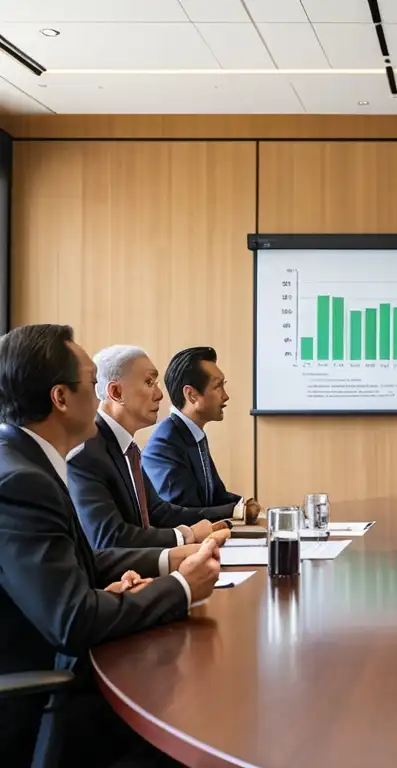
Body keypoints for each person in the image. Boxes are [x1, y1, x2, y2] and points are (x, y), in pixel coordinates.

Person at [0, 324, 221, 766]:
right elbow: (72, 619)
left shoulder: (28, 461)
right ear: (61, 398)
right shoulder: (20, 481)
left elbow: (79, 564)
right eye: (92, 383)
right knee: (194, 721)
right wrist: (181, 586)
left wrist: (149, 570)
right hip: (45, 705)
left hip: (64, 673)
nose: (102, 396)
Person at [68, 346, 238, 551]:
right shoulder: (85, 452)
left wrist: (225, 516)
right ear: (116, 392)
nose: (159, 395)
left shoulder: (128, 448)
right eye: (149, 382)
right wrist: (187, 535)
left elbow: (159, 512)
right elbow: (109, 538)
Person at [143, 346, 260, 521]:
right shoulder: (164, 443)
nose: (226, 396)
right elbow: (183, 511)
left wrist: (245, 505)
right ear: (191, 395)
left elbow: (215, 496)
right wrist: (237, 511)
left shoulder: (193, 434)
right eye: (218, 386)